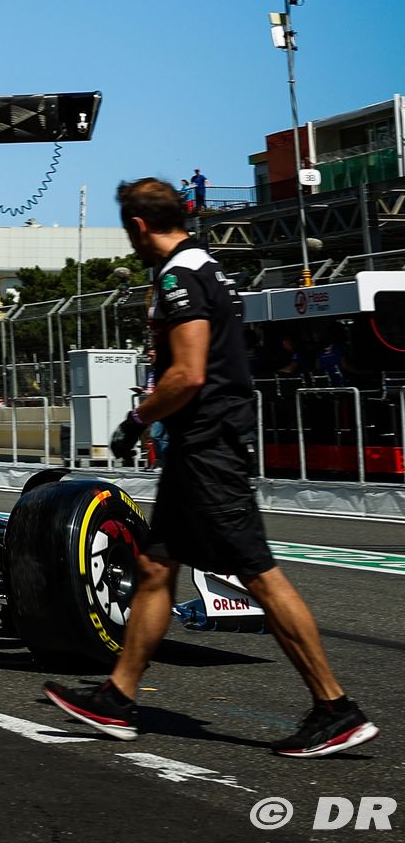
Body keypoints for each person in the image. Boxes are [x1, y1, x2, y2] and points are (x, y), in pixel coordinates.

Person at [44, 178, 378, 759]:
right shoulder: (206, 266)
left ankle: (335, 708)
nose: (131, 244)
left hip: (208, 448)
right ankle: (118, 698)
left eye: (129, 232)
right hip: (200, 446)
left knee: (258, 572)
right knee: (154, 566)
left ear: (139, 226)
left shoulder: (180, 276)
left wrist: (136, 419)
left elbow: (188, 373)